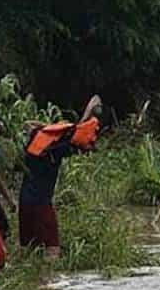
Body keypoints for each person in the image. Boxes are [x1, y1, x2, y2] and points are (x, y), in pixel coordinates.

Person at [19, 95, 102, 259]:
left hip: (25, 204)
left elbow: (29, 125)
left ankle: (33, 280)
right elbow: (76, 140)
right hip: (43, 205)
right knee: (52, 249)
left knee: (27, 250)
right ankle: (50, 278)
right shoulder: (56, 151)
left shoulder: (33, 147)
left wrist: (49, 129)